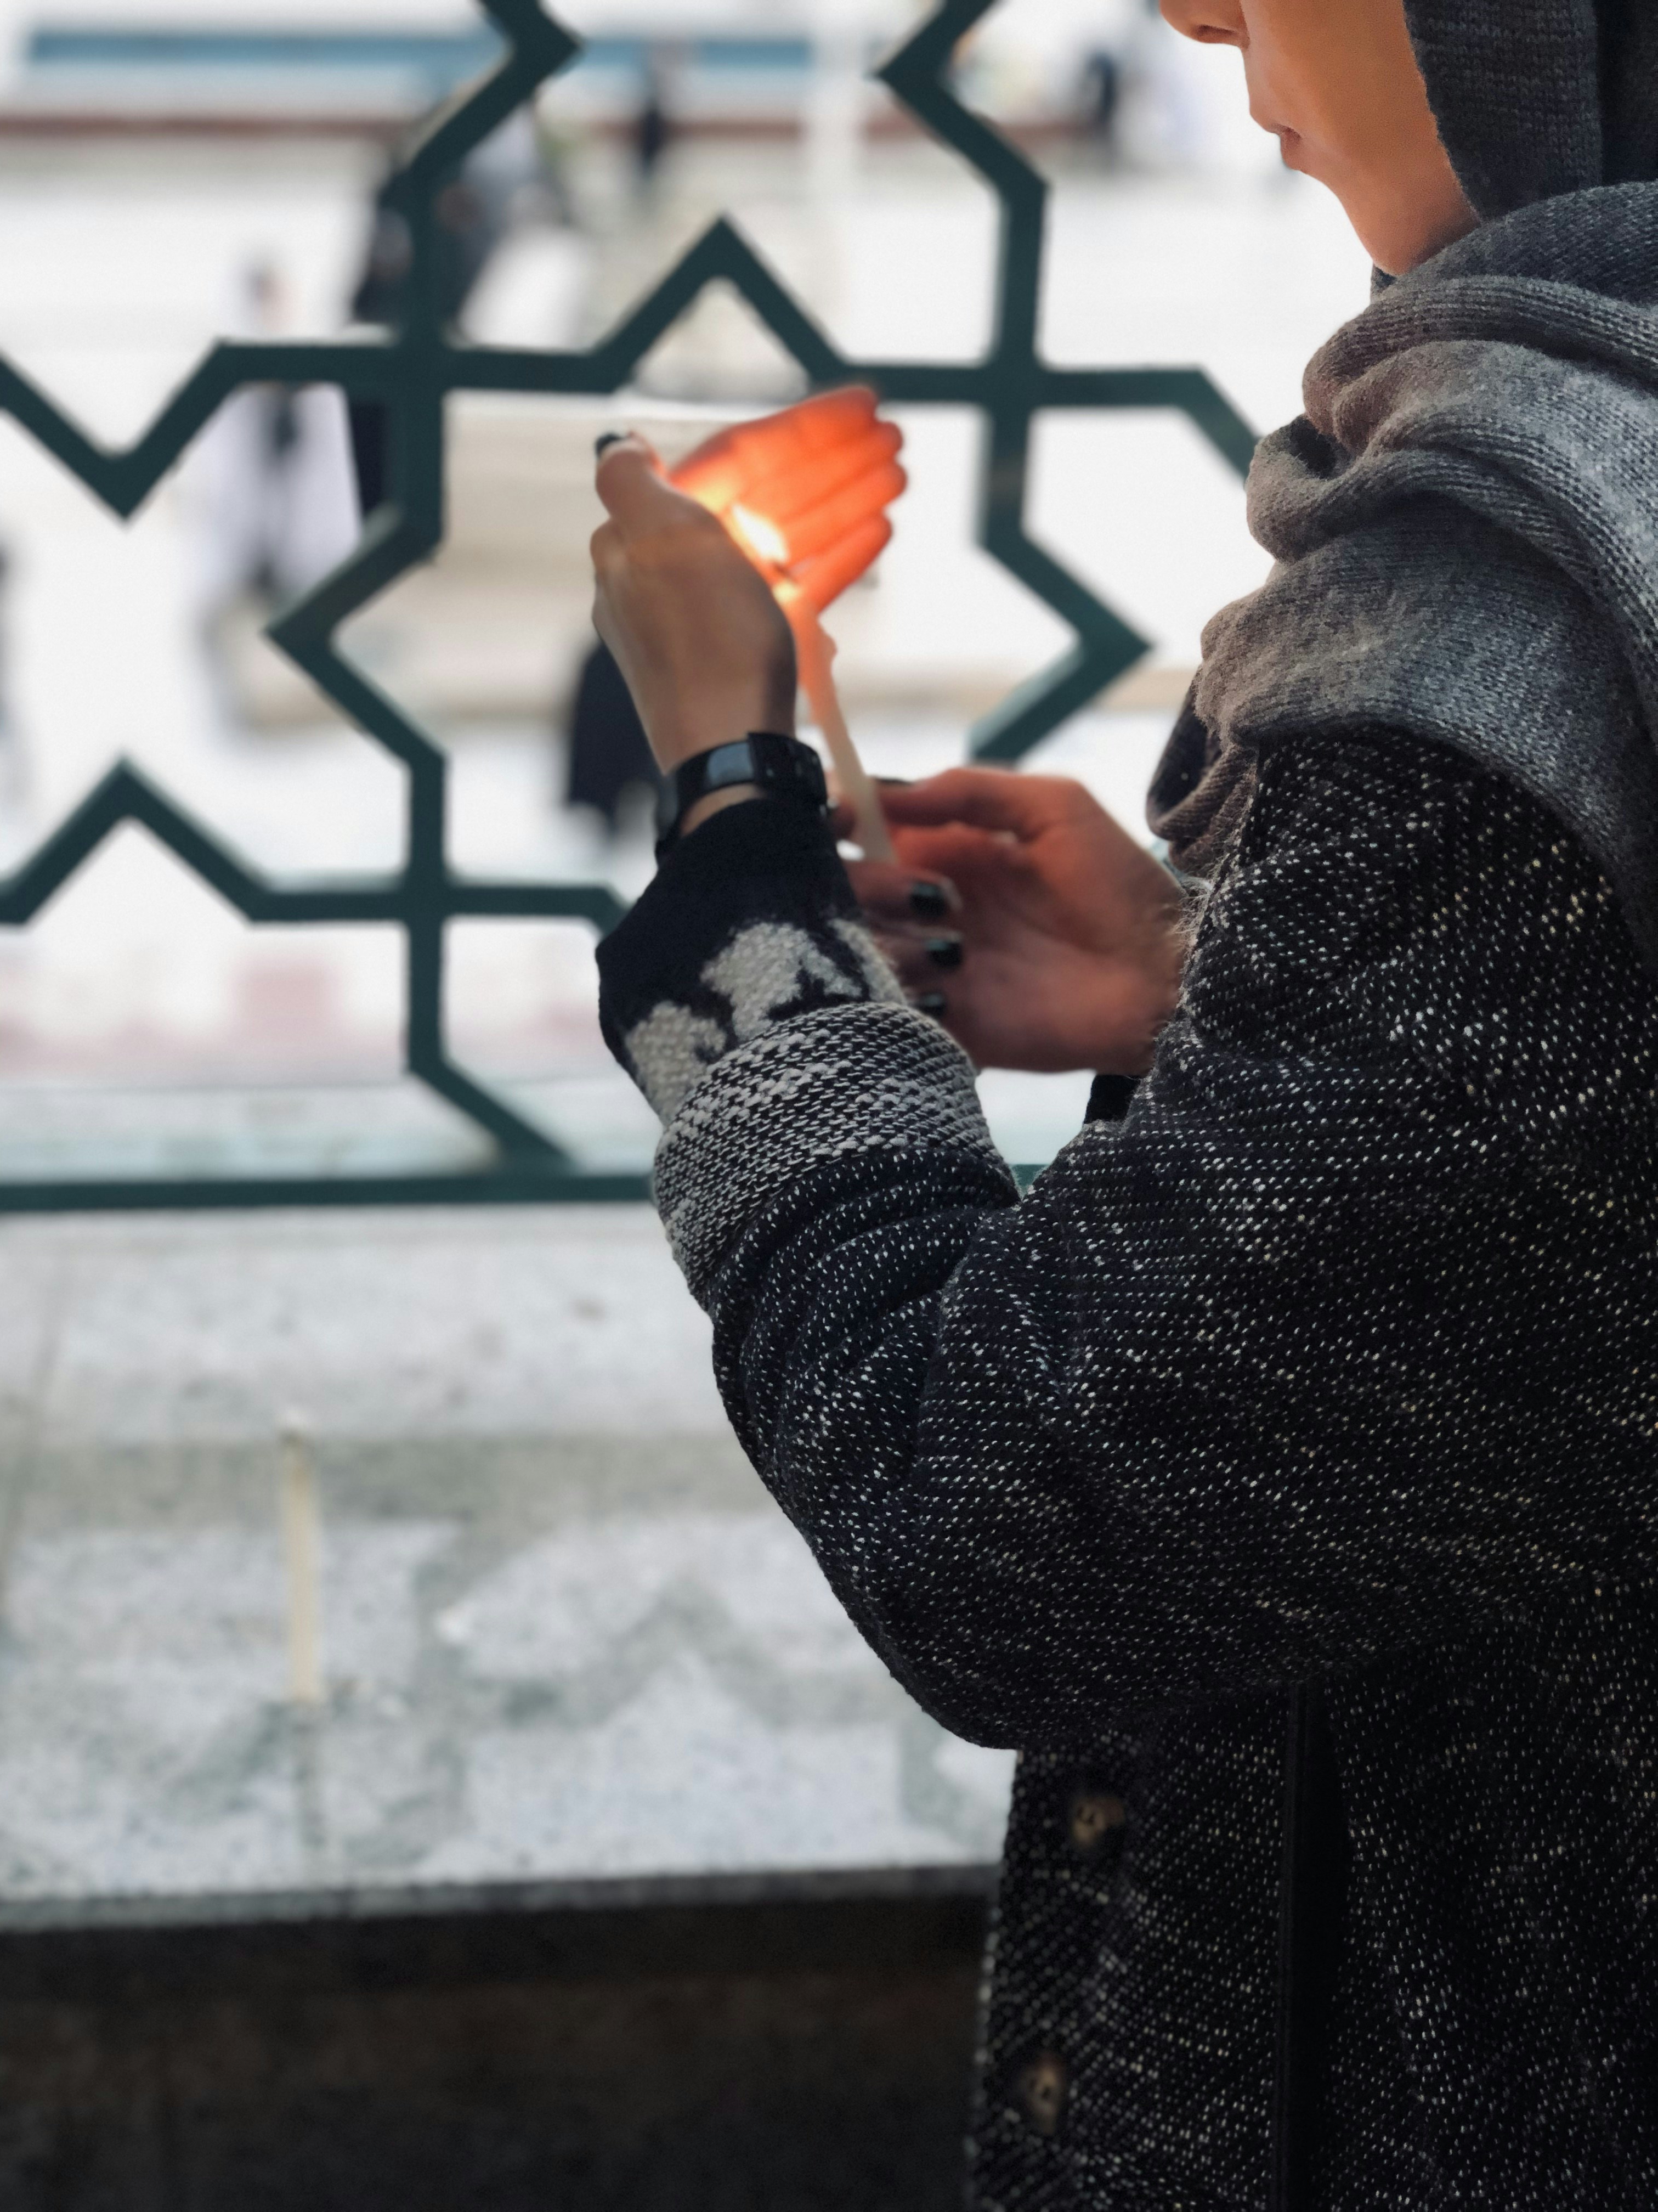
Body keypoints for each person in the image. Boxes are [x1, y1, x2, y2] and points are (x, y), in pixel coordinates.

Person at [587, 3, 1658, 2203]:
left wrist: (735, 866)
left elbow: (991, 1514)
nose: (1196, 6)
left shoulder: (1532, 655)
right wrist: (1216, 988)